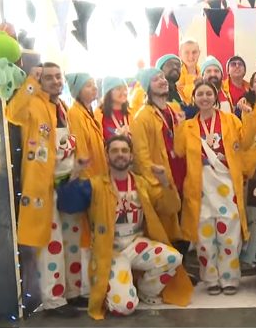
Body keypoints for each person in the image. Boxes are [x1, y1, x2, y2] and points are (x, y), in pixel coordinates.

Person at [56, 135, 193, 319]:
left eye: (124, 151)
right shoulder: (95, 185)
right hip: (110, 251)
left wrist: (165, 182)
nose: (119, 154)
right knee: (125, 307)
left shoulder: (141, 183)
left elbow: (171, 207)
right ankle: (117, 289)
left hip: (136, 245)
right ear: (107, 156)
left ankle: (146, 290)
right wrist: (75, 173)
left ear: (131, 156)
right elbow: (66, 205)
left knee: (173, 258)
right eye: (114, 151)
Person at [5, 62, 83, 317]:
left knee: (72, 242)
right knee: (52, 245)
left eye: (58, 76)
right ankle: (53, 300)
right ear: (39, 80)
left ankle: (72, 292)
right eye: (48, 77)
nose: (55, 81)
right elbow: (12, 114)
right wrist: (31, 82)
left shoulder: (64, 106)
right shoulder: (32, 102)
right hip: (44, 187)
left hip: (68, 184)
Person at [174, 81, 249, 295]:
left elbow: (244, 143)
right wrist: (179, 126)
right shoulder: (188, 125)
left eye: (209, 93)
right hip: (201, 187)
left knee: (230, 236)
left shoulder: (231, 120)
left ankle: (230, 279)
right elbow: (179, 151)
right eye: (200, 94)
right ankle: (211, 279)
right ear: (194, 98)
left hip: (227, 184)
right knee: (205, 238)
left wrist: (249, 115)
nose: (205, 97)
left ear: (215, 96)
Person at [130, 68, 186, 242]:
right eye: (155, 79)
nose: (162, 81)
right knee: (164, 236)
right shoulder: (142, 117)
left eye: (162, 77)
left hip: (181, 178)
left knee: (181, 231)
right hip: (162, 181)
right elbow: (141, 156)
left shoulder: (174, 109)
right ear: (147, 87)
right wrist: (156, 185)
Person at [66, 73, 106, 178]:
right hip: (89, 179)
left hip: (100, 174)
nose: (94, 88)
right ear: (78, 92)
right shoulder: (75, 114)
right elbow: (80, 151)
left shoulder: (91, 112)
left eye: (94, 84)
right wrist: (87, 182)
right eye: (88, 85)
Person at [97, 77, 131, 142]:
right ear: (108, 92)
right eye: (118, 89)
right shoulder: (99, 115)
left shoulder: (132, 113)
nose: (123, 92)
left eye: (125, 89)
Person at [177, 39, 201, 104]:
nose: (191, 56)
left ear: (199, 53)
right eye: (187, 52)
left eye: (194, 52)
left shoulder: (203, 74)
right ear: (180, 54)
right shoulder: (176, 76)